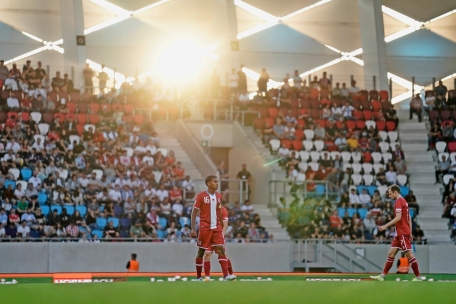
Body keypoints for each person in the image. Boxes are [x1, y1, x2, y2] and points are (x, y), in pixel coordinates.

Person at [370, 184, 422, 281]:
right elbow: (409, 218)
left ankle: (418, 277)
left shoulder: (399, 202)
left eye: (390, 194)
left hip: (402, 232)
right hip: (400, 233)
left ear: (395, 192)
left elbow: (398, 218)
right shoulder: (404, 202)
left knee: (409, 255)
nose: (389, 196)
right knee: (391, 254)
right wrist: (410, 232)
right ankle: (382, 276)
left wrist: (385, 226)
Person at [191, 175, 235, 281]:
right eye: (215, 181)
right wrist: (192, 227)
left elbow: (218, 211)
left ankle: (226, 275)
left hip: (216, 228)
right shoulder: (201, 196)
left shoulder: (219, 196)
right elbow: (194, 211)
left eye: (217, 181)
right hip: (204, 228)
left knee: (221, 249)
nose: (217, 183)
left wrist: (219, 224)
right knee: (201, 252)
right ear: (208, 183)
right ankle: (198, 277)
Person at [202, 206, 235, 281]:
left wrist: (222, 236)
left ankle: (230, 274)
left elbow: (225, 224)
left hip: (218, 236)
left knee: (223, 255)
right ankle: (207, 277)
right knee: (207, 254)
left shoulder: (223, 210)